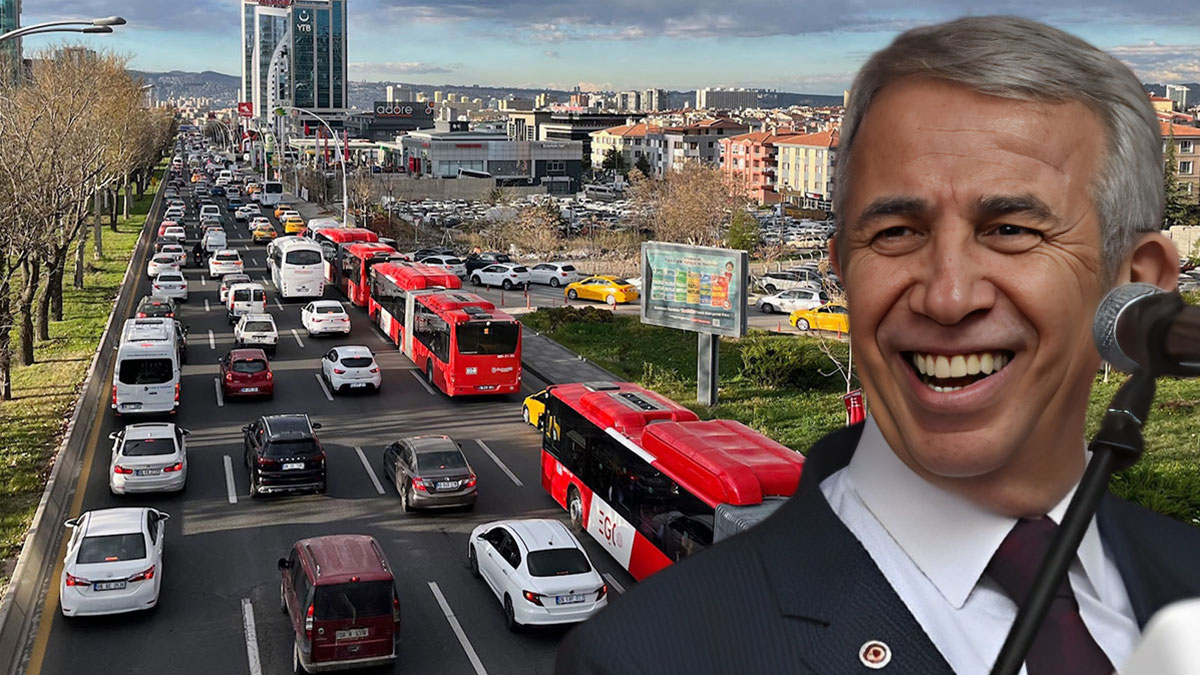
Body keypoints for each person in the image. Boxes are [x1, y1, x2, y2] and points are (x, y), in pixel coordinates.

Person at [557, 16, 1200, 675]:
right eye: (895, 232)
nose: (947, 297)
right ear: (842, 271)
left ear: (1136, 281)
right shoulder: (646, 657)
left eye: (1010, 228)